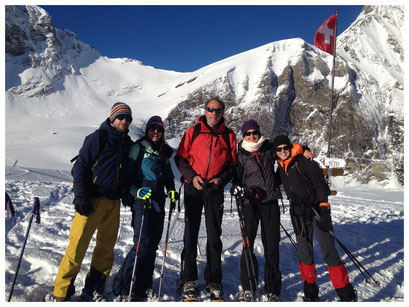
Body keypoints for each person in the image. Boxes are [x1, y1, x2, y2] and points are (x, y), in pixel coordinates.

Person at [44, 102, 133, 302]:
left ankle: (94, 287)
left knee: (106, 248)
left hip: (113, 202)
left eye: (128, 118)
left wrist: (126, 191)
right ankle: (61, 292)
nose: (124, 121)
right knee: (77, 246)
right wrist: (81, 195)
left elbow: (124, 172)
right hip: (93, 199)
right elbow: (81, 166)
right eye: (121, 117)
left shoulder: (126, 142)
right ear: (112, 118)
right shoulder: (98, 138)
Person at [230, 120, 313, 302]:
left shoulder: (269, 148)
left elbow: (288, 149)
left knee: (272, 246)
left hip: (270, 203)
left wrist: (304, 148)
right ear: (243, 135)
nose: (252, 136)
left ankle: (272, 289)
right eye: (248, 133)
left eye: (255, 132)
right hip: (249, 204)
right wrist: (236, 187)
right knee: (247, 245)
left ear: (259, 132)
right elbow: (235, 177)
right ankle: (248, 287)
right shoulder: (240, 154)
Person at [272, 134, 357, 302]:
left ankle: (346, 294)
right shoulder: (280, 168)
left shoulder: (304, 162)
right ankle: (310, 293)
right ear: (275, 152)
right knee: (304, 254)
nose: (283, 151)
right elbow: (271, 181)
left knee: (329, 252)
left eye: (285, 148)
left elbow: (320, 185)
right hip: (298, 214)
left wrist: (324, 209)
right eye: (279, 149)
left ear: (290, 147)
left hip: (317, 210)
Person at [175, 97, 237, 301]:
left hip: (214, 188)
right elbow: (181, 158)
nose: (214, 113)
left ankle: (213, 280)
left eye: (218, 110)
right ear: (205, 110)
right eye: (211, 109)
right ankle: (188, 279)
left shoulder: (229, 136)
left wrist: (222, 178)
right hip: (194, 187)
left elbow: (232, 165)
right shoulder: (193, 131)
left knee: (214, 236)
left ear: (223, 112)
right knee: (190, 234)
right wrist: (192, 177)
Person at [113, 115, 178, 301]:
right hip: (142, 200)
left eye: (159, 129)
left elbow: (167, 176)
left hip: (158, 199)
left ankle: (143, 285)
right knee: (141, 244)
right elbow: (126, 175)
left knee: (153, 245)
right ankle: (123, 286)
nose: (155, 132)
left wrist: (172, 190)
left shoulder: (164, 151)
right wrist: (136, 191)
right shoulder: (138, 147)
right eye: (152, 129)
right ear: (147, 130)